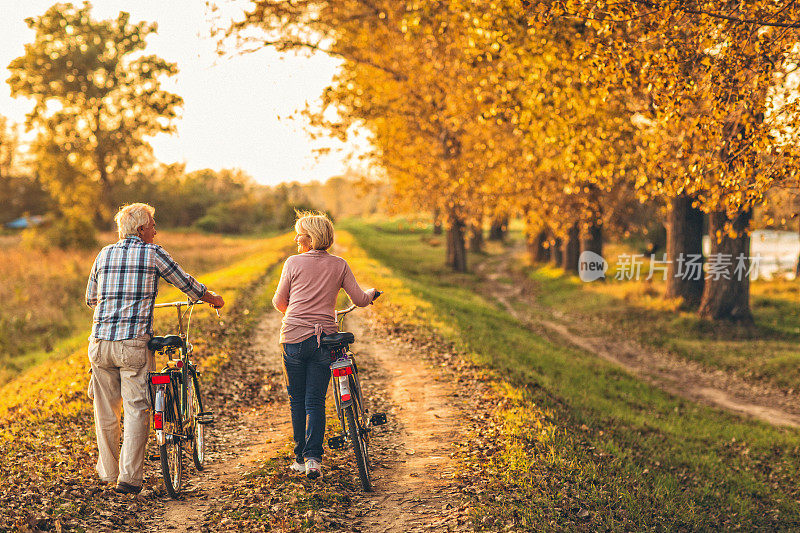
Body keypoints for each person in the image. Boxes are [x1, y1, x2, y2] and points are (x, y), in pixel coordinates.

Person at [85, 203, 224, 494]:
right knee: (137, 408)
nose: (155, 229)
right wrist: (211, 298)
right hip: (132, 344)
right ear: (141, 229)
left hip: (99, 344)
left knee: (106, 412)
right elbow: (186, 284)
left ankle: (108, 473)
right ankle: (129, 478)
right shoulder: (153, 253)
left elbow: (91, 298)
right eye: (152, 224)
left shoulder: (103, 253)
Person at [272, 212, 378, 480]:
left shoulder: (292, 263)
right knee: (315, 400)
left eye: (300, 234)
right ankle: (313, 460)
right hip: (324, 341)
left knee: (297, 400)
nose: (296, 238)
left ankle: (299, 459)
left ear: (311, 238)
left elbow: (279, 302)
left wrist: (295, 315)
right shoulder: (339, 265)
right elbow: (360, 299)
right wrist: (371, 293)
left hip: (293, 338)